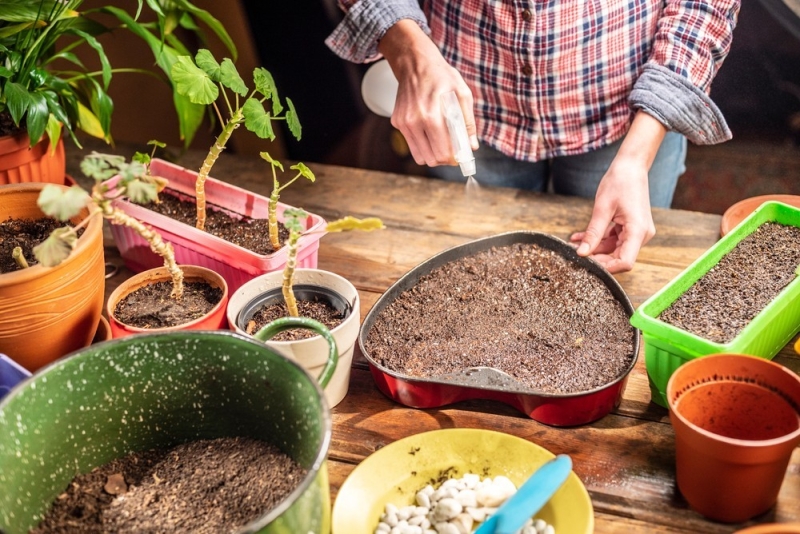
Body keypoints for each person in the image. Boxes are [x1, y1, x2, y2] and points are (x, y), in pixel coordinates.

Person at [325, 0, 740, 273]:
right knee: (478, 276)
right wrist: (407, 47)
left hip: (631, 116)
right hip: (464, 102)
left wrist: (638, 154)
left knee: (609, 271)